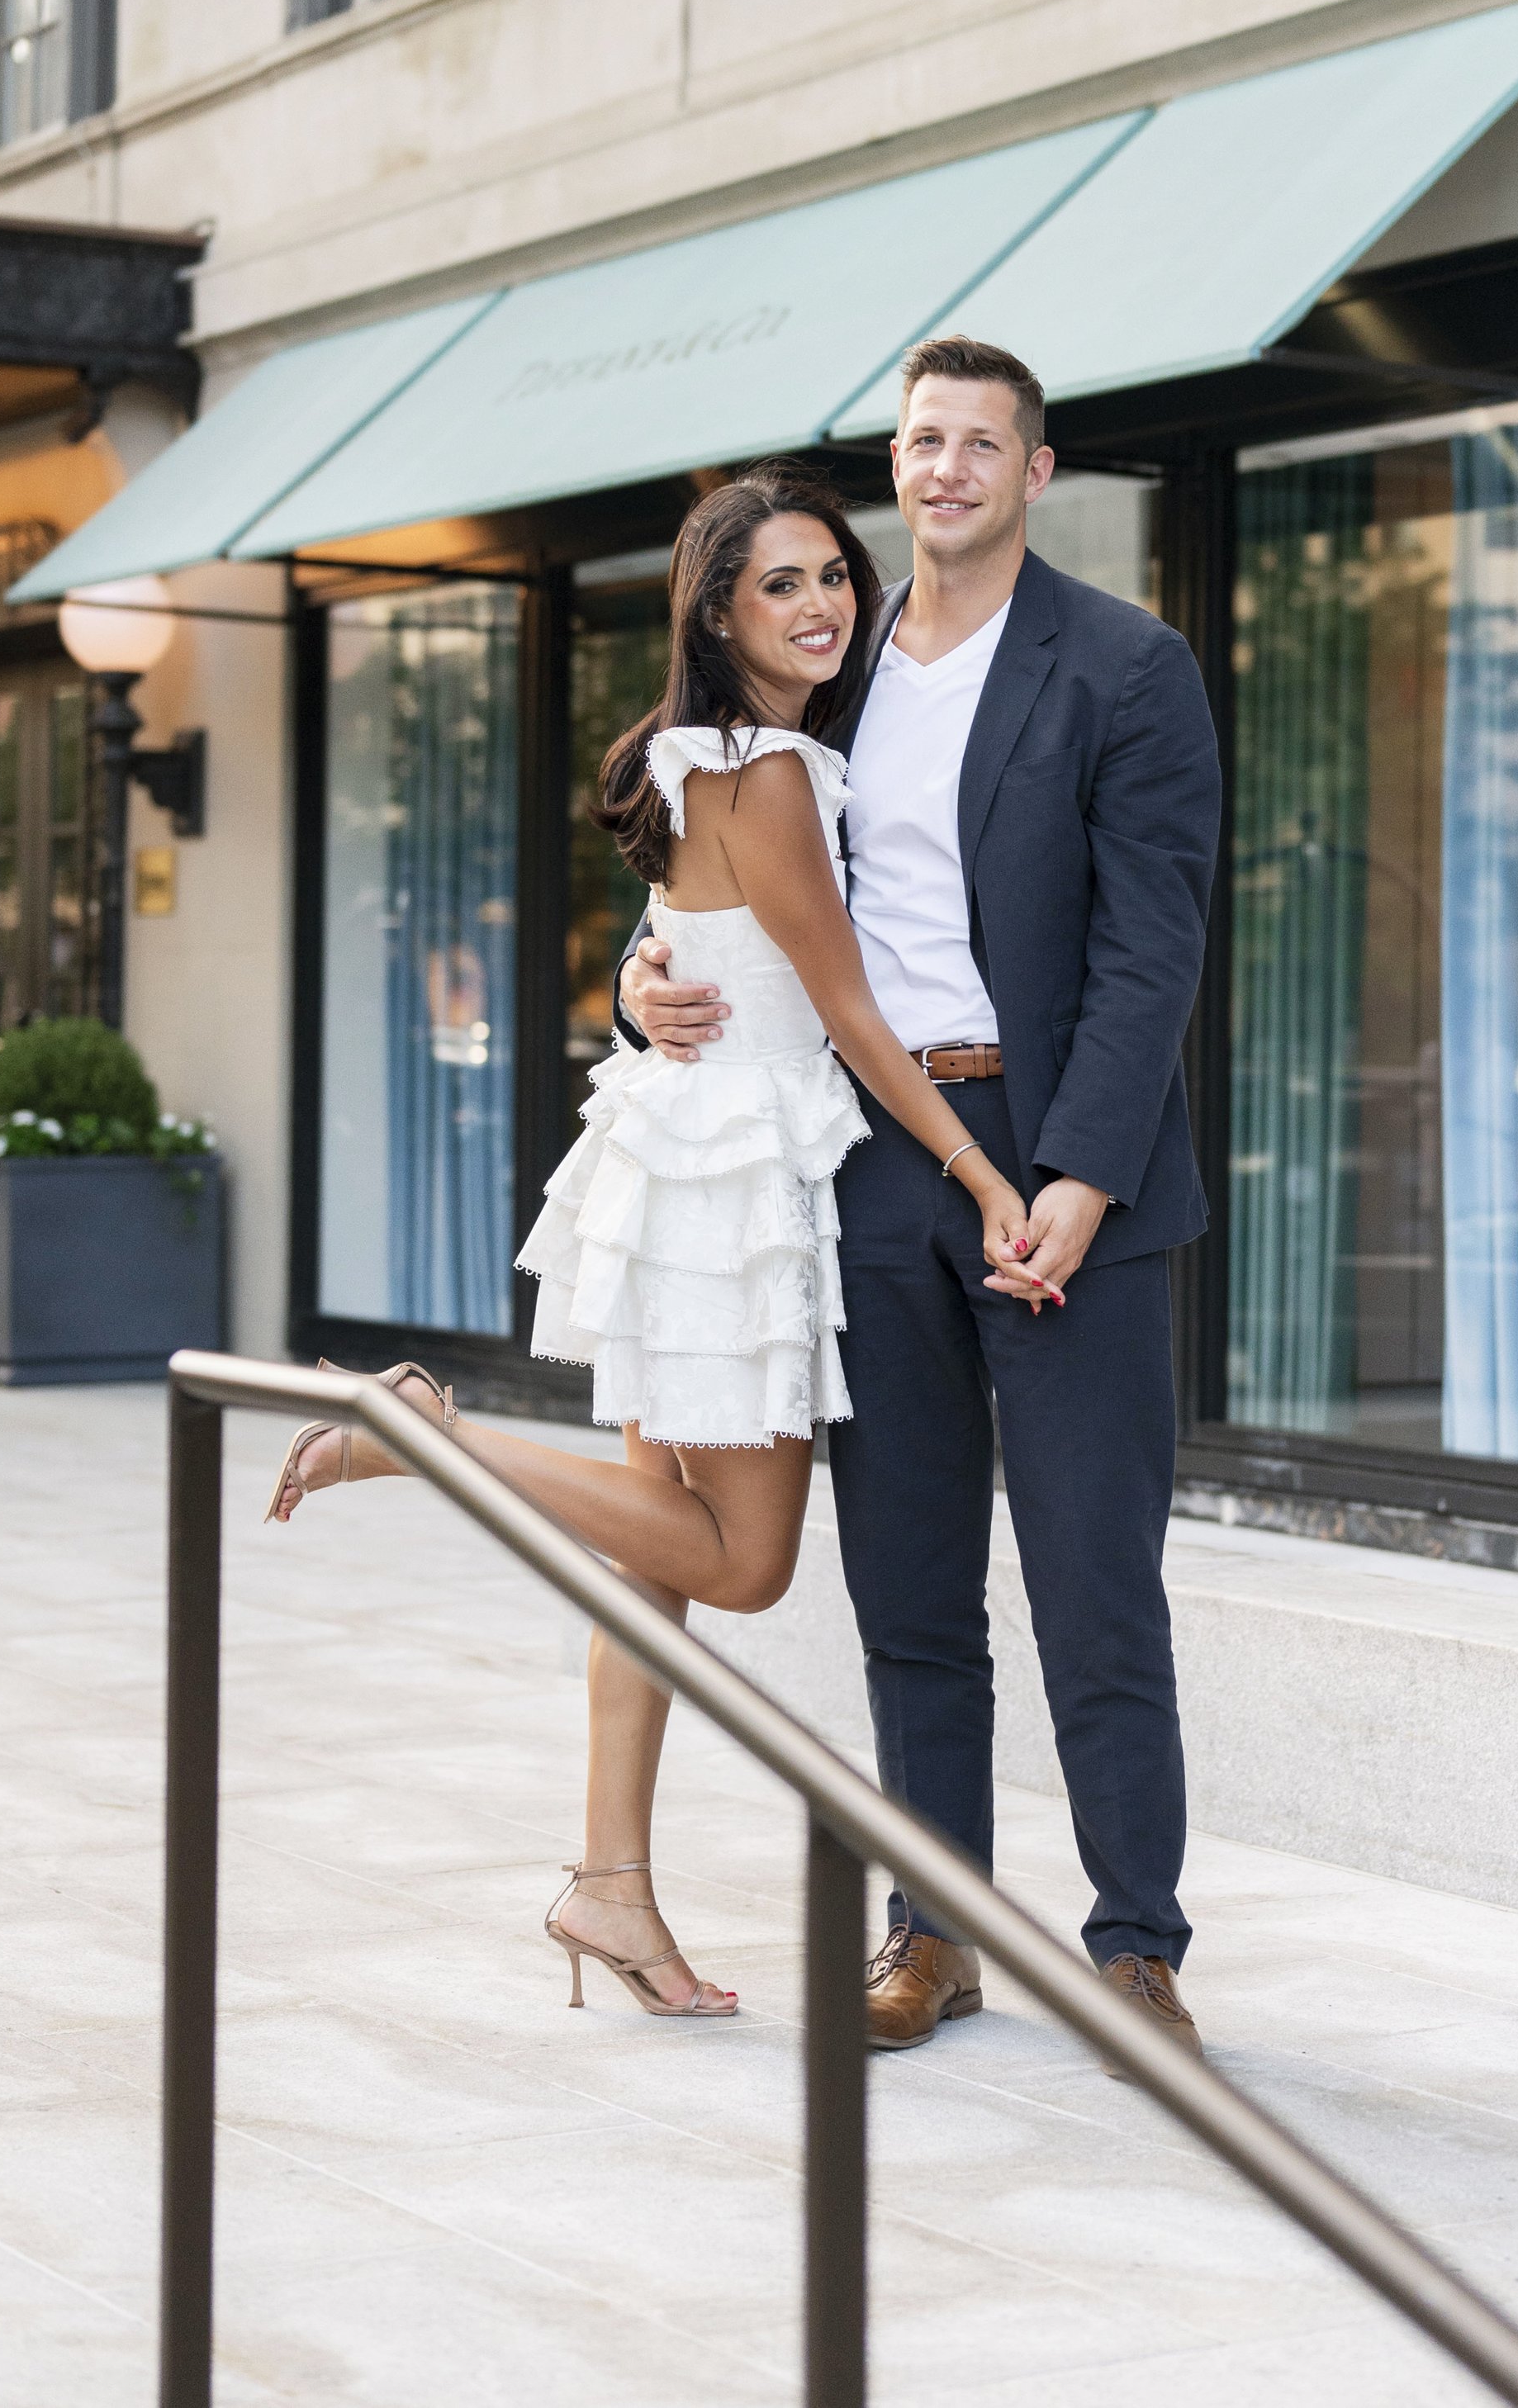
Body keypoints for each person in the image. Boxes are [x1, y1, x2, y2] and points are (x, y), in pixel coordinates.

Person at [265, 459, 1046, 2020]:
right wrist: (979, 1171)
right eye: (782, 584)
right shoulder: (763, 773)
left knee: (650, 1552)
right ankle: (426, 1436)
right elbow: (850, 1010)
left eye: (835, 575)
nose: (822, 604)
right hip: (732, 1178)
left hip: (681, 1151)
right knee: (743, 1563)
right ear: (717, 608)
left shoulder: (736, 760)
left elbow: (692, 944)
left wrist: (636, 972)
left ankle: (608, 1884)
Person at [621, 335, 1222, 2064]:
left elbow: (1151, 941)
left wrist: (1080, 1177)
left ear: (1034, 473)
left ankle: (1133, 1954)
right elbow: (720, 870)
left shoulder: (1124, 665)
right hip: (875, 1174)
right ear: (896, 468)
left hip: (1063, 1186)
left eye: (978, 442)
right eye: (917, 440)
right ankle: (930, 1932)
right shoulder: (832, 672)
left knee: (1094, 1589)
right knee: (907, 1591)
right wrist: (635, 980)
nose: (942, 467)